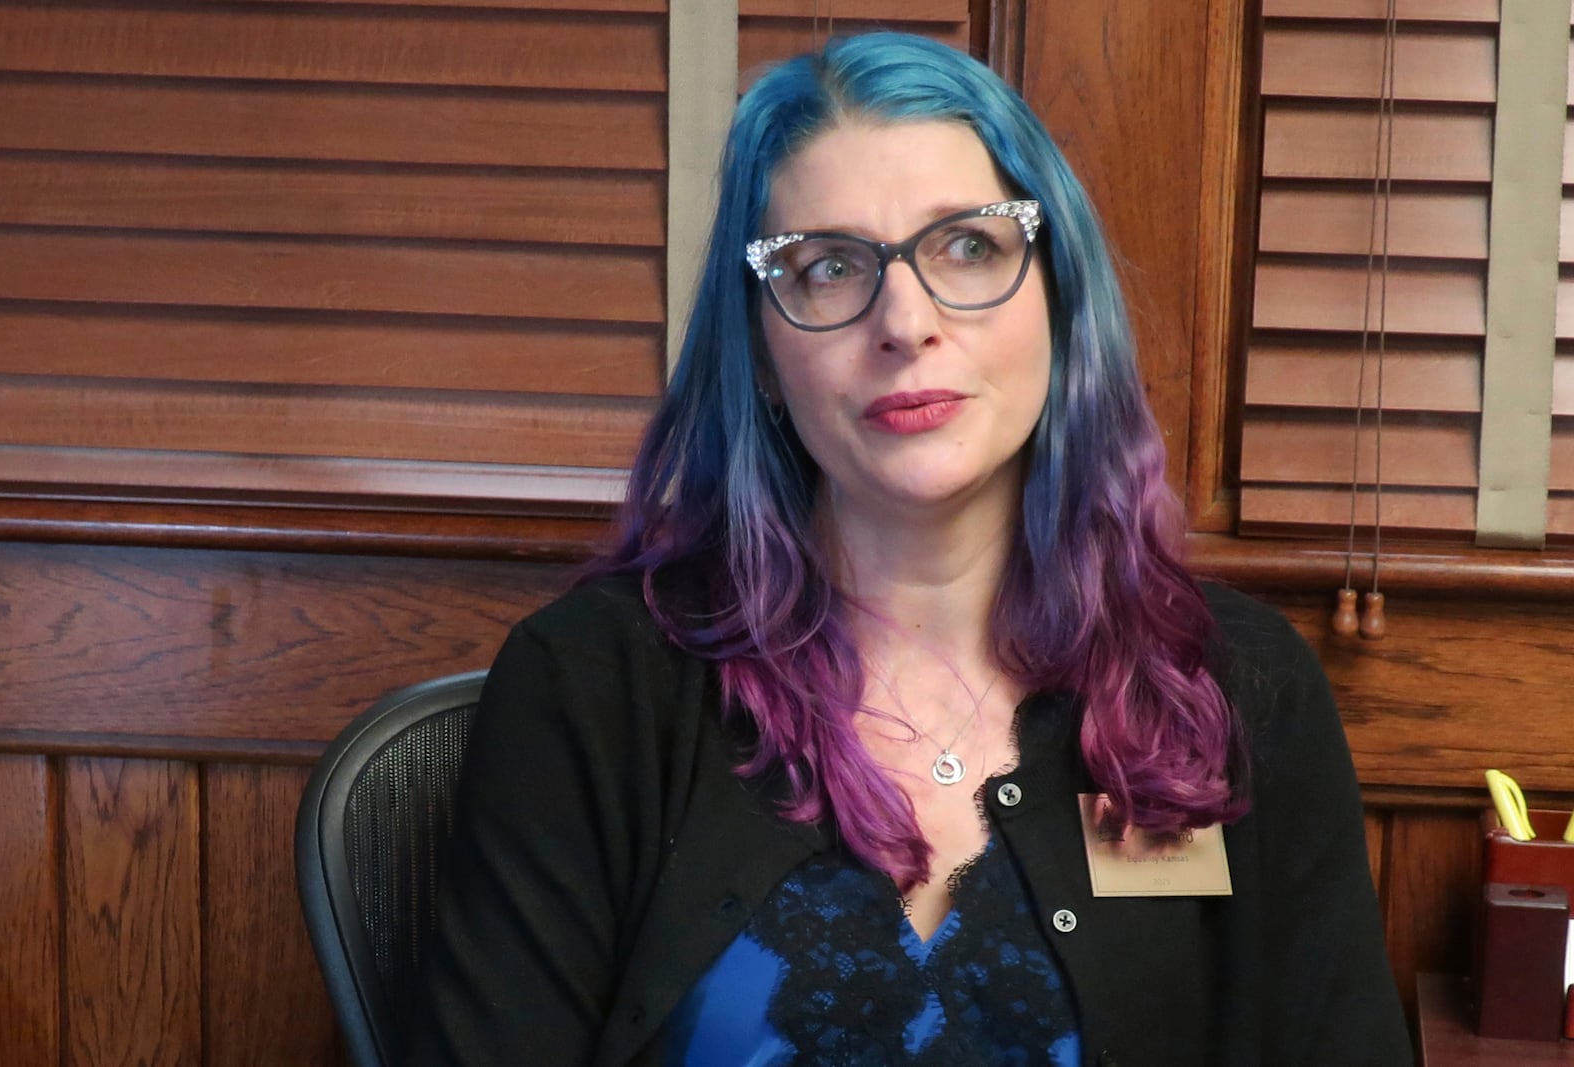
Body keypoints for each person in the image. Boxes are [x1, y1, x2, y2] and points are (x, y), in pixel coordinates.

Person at [404, 32, 1411, 1067]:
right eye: (829, 267)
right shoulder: (589, 685)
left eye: (968, 245)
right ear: (756, 342)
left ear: (1057, 292)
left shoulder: (1230, 684)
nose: (905, 320)